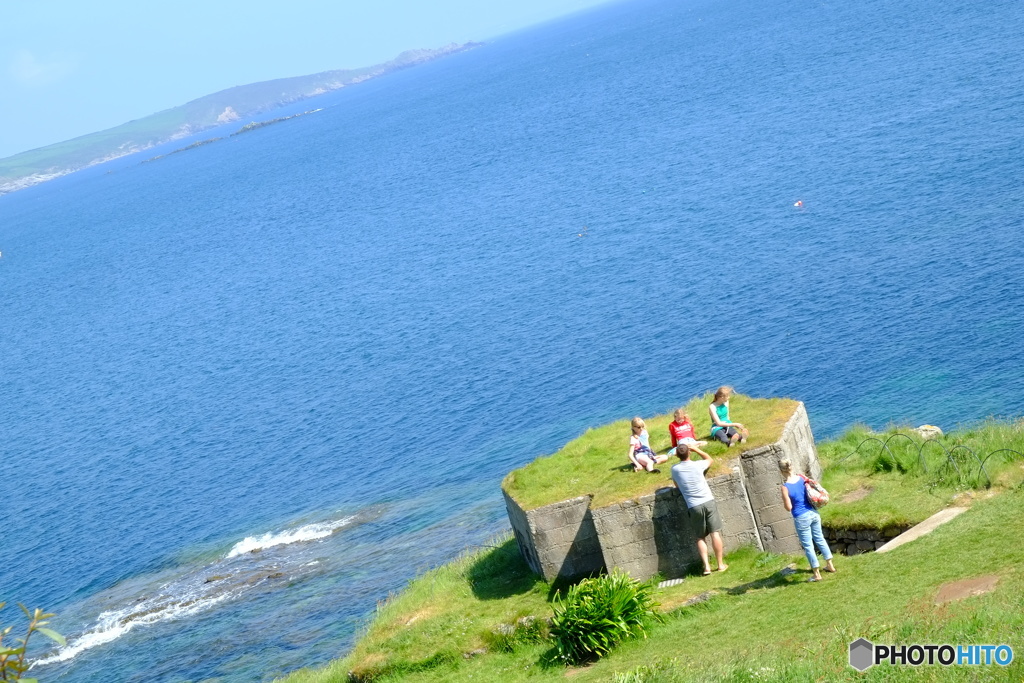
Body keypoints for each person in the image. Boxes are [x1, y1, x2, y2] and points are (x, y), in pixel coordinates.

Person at [671, 444, 728, 575]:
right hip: (708, 501)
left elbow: (676, 485)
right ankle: (720, 565)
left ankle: (707, 567)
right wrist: (696, 449)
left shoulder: (675, 469)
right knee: (715, 534)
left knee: (700, 537)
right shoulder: (697, 465)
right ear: (689, 453)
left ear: (677, 455)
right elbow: (710, 459)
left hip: (693, 506)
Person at [779, 458, 836, 582]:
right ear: (791, 466)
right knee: (820, 539)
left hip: (801, 517)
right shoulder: (801, 477)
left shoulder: (785, 487)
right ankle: (830, 566)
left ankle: (816, 574)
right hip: (813, 513)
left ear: (781, 471)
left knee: (808, 545)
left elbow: (788, 507)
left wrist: (785, 502)